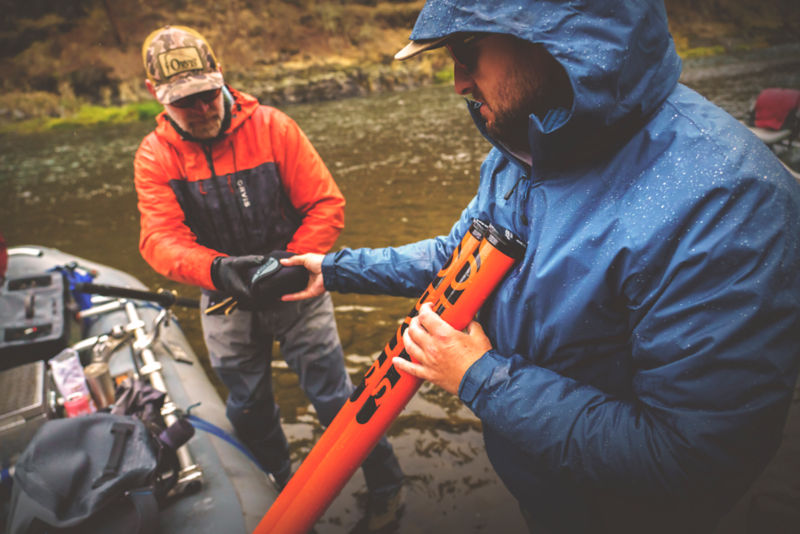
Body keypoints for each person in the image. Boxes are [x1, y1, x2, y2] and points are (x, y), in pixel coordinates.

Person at [281, 1, 800, 533]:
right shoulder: (522, 144)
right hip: (545, 497)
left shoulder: (729, 201)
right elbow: (463, 256)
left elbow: (689, 459)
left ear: (556, 38)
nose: (458, 83)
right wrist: (335, 269)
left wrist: (477, 377)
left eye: (466, 53)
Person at [133, 25, 404, 530]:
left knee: (334, 395)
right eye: (184, 101)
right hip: (221, 301)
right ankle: (277, 486)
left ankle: (386, 484)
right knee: (248, 405)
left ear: (221, 77)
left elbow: (325, 203)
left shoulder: (274, 127)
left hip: (297, 288)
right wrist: (215, 270)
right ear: (156, 94)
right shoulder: (156, 155)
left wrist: (293, 261)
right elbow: (159, 239)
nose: (201, 109)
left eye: (206, 94)